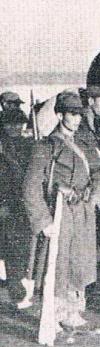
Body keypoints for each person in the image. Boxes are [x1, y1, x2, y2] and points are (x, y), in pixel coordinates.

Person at [22, 91, 100, 333]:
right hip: (58, 212)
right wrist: (42, 220)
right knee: (57, 264)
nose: (77, 119)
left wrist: (95, 195)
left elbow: (99, 172)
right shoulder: (46, 146)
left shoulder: (85, 143)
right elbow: (30, 187)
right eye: (71, 114)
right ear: (60, 115)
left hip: (82, 212)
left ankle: (73, 313)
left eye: (79, 114)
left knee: (79, 262)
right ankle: (54, 315)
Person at [0, 109, 34, 297]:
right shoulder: (2, 146)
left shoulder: (28, 144)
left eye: (18, 123)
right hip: (5, 202)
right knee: (11, 245)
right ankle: (15, 287)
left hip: (21, 202)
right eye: (10, 123)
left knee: (19, 244)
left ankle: (18, 283)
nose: (15, 127)